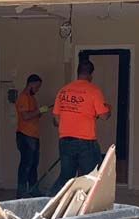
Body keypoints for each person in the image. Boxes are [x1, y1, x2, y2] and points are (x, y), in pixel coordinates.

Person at [52, 59, 111, 191]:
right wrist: (109, 109)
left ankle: (49, 202)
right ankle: (87, 207)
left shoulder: (63, 91)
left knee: (66, 177)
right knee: (91, 177)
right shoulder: (93, 91)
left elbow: (56, 120)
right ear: (91, 75)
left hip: (65, 141)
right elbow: (104, 116)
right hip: (86, 142)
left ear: (77, 73)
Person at [14, 74, 48, 197]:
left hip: (33, 135)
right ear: (31, 84)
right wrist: (39, 111)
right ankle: (22, 191)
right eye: (37, 86)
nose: (38, 89)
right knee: (26, 163)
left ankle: (33, 189)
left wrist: (41, 112)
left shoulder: (32, 98)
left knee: (33, 164)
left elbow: (33, 115)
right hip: (25, 135)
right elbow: (25, 116)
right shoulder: (23, 97)